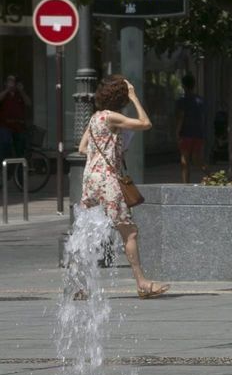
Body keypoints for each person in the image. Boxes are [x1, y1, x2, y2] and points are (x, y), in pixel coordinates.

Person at [79, 75, 170, 299]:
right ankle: (142, 283)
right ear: (120, 97)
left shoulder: (95, 118)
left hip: (90, 180)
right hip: (108, 181)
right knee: (129, 232)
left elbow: (82, 148)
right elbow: (145, 123)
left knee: (91, 233)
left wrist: (110, 149)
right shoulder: (112, 117)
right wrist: (135, 97)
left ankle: (83, 286)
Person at [175, 73, 207, 183]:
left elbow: (181, 117)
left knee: (185, 160)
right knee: (197, 159)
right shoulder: (200, 100)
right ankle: (210, 175)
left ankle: (185, 183)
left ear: (183, 85)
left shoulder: (182, 101)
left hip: (186, 133)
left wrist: (177, 132)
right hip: (198, 132)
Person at [0, 74, 32, 163]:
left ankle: (19, 174)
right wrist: (7, 90)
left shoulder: (20, 94)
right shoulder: (4, 94)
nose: (12, 84)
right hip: (5, 125)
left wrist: (21, 91)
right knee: (5, 145)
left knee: (20, 150)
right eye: (10, 81)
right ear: (5, 83)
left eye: (14, 82)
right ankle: (5, 170)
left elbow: (29, 103)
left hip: (18, 126)